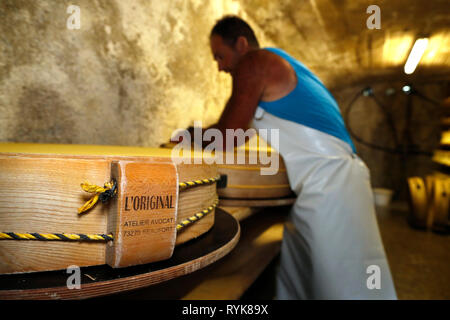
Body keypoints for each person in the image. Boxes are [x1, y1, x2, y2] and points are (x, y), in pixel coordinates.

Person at [201, 15, 397, 299]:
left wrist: (186, 136)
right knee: (298, 273)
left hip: (333, 188)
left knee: (346, 286)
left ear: (242, 44)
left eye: (219, 56)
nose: (219, 67)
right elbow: (241, 134)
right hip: (327, 184)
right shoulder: (285, 66)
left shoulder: (254, 63)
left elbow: (228, 134)